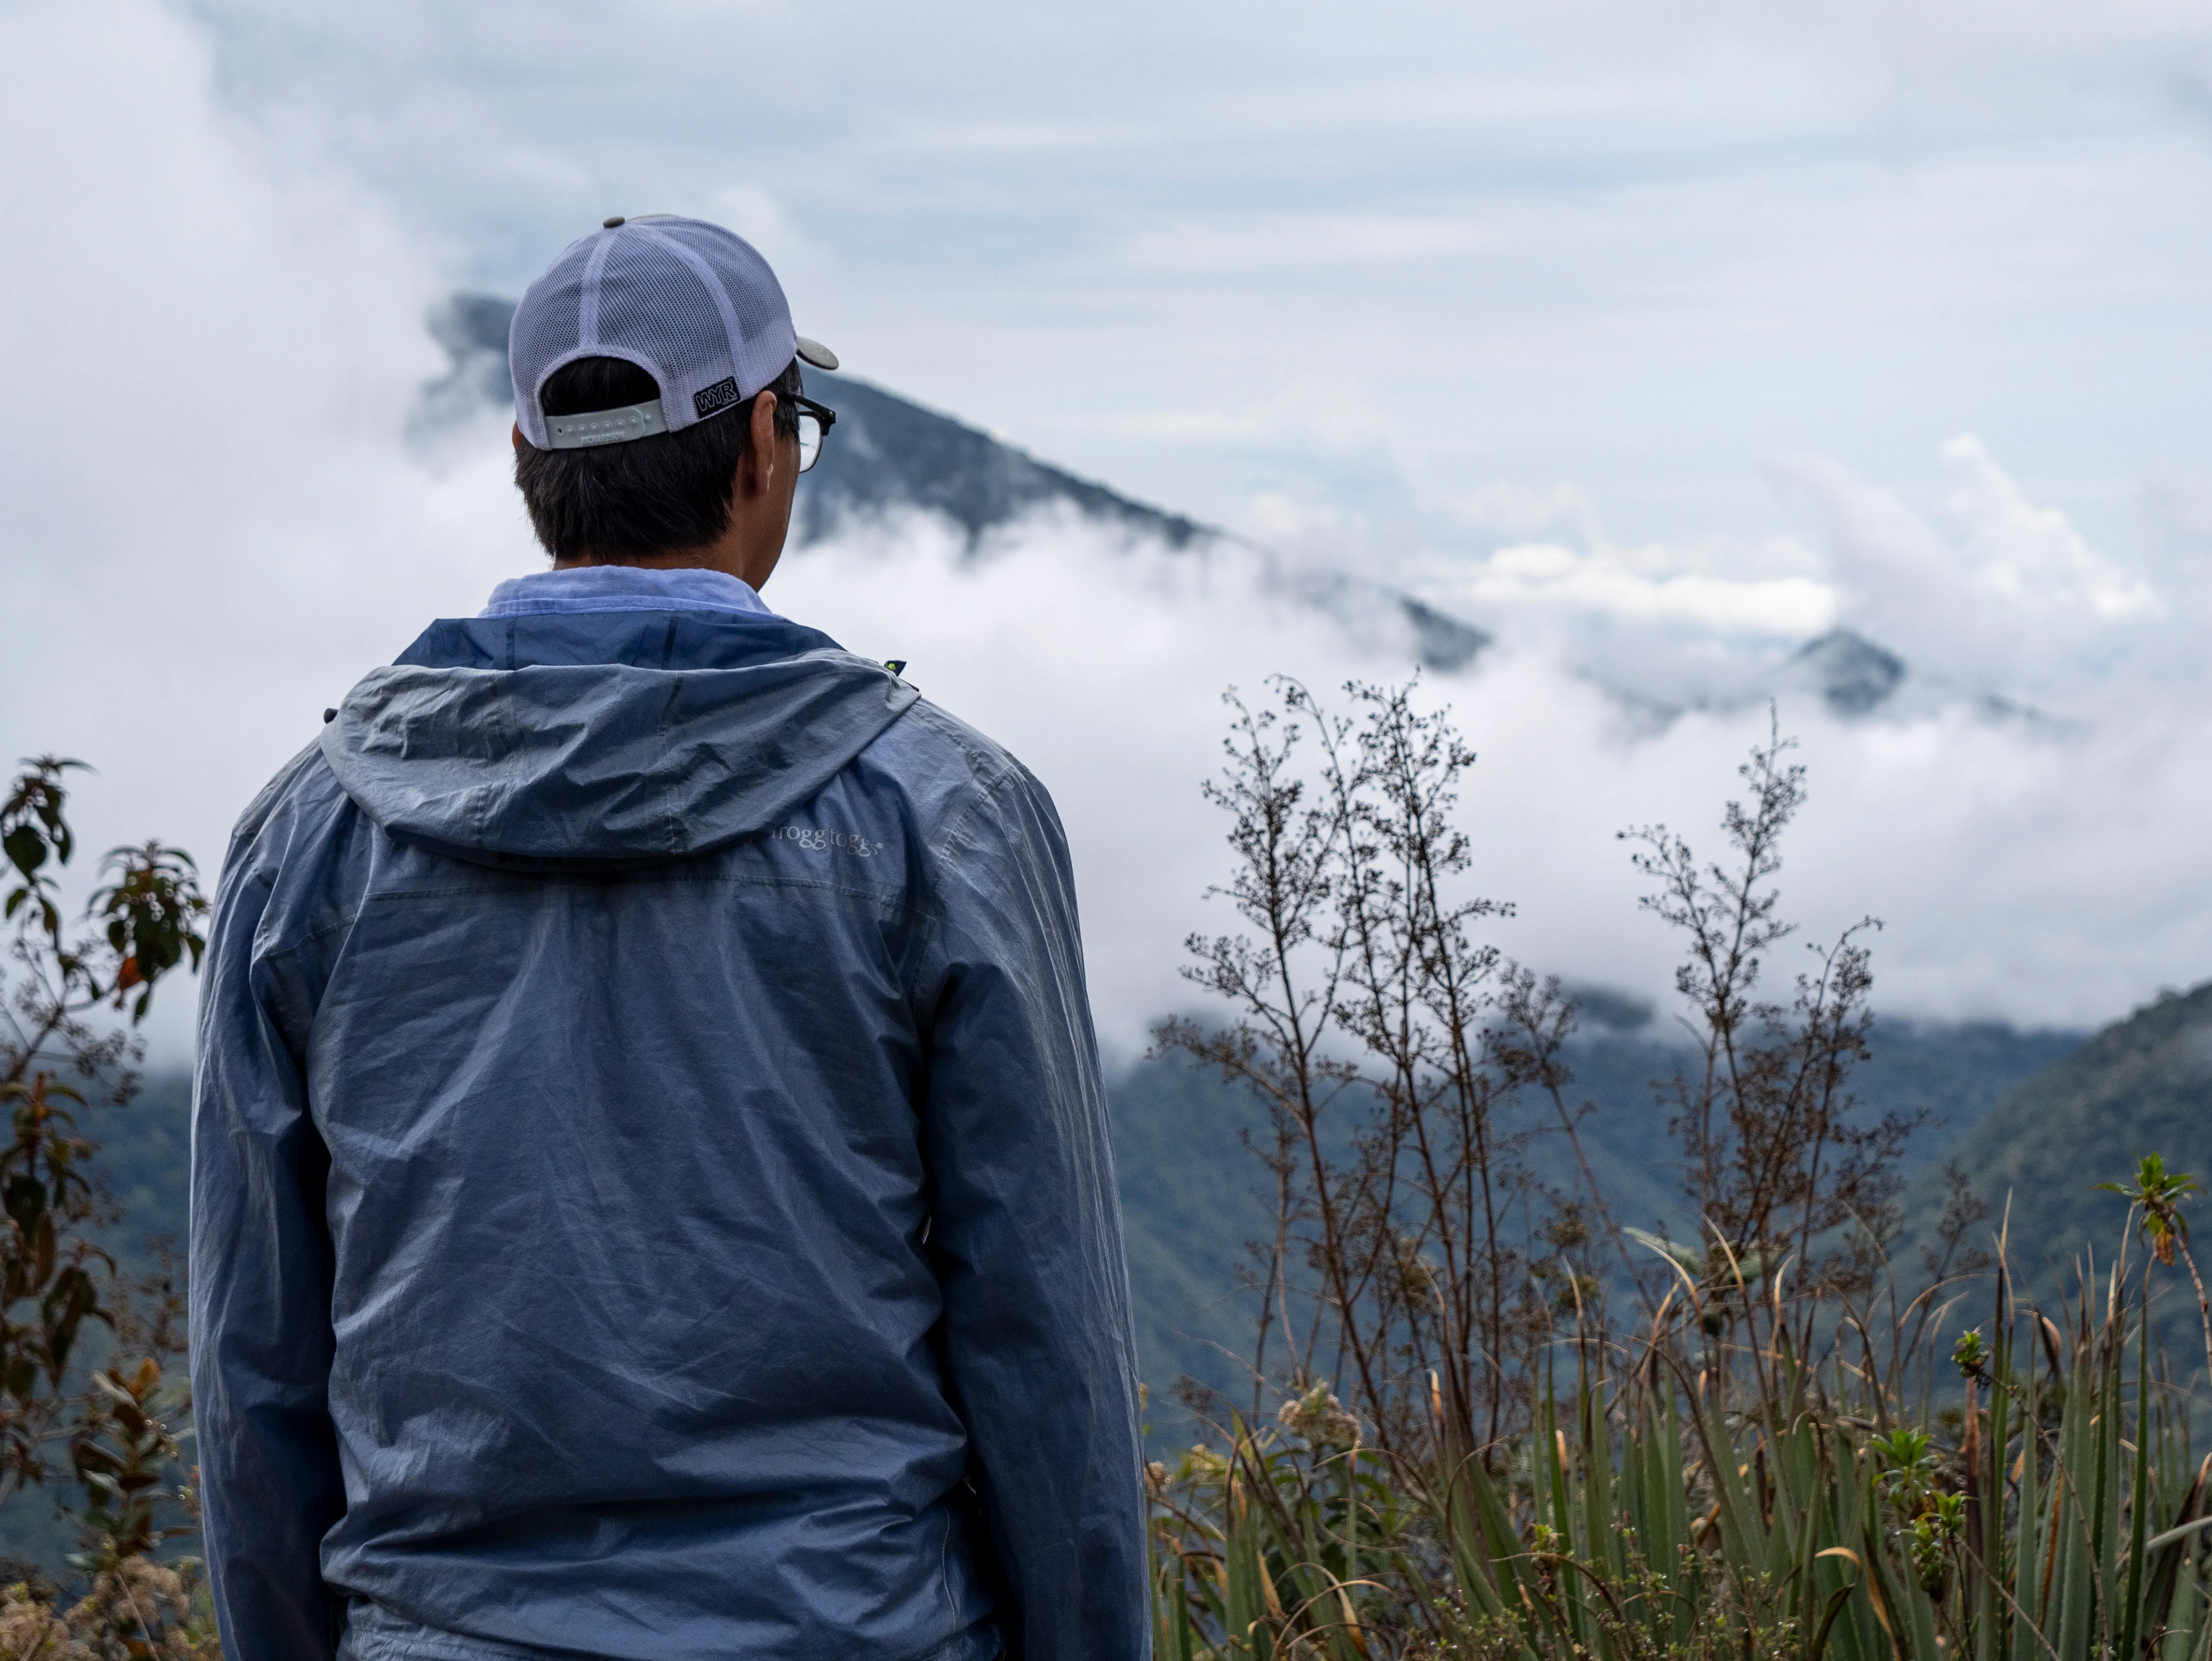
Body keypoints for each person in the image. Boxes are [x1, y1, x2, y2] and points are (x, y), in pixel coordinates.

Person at [190, 215, 1147, 1661]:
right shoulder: (940, 818)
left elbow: (252, 1367)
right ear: (764, 441)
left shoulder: (308, 839)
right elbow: (1046, 1346)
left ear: (527, 462)